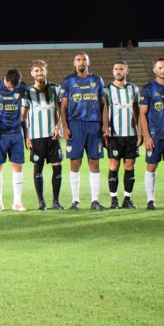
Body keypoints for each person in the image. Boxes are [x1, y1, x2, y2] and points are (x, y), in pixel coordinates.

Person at [59, 52, 109, 211]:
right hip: (75, 125)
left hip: (94, 125)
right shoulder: (68, 81)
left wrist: (105, 125)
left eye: (84, 60)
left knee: (94, 161)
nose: (81, 62)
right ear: (74, 63)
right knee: (75, 162)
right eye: (78, 60)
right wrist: (65, 127)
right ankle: (75, 201)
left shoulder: (97, 80)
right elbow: (64, 107)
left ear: (89, 62)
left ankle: (95, 201)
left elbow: (104, 104)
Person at [21, 60, 64, 211]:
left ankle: (56, 201)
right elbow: (23, 117)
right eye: (36, 71)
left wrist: (59, 127)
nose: (39, 73)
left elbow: (63, 111)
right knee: (38, 168)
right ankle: (41, 201)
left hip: (53, 136)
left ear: (46, 72)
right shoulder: (27, 92)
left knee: (57, 166)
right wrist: (26, 137)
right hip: (36, 137)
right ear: (32, 73)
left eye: (42, 70)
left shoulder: (56, 89)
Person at [0, 68, 28, 212]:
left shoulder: (21, 87)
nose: (12, 89)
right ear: (5, 79)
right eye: (10, 86)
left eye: (14, 87)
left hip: (15, 132)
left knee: (17, 166)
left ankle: (17, 202)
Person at [105, 61, 140, 209]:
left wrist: (140, 132)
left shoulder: (134, 89)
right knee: (114, 164)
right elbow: (104, 111)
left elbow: (137, 110)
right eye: (116, 69)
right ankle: (114, 200)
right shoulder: (107, 90)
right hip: (114, 135)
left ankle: (127, 199)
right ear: (113, 71)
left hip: (131, 134)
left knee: (129, 165)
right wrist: (105, 130)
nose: (118, 72)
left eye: (121, 69)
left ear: (127, 71)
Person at [137, 58, 164, 211]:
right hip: (155, 135)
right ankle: (150, 200)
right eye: (160, 67)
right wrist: (147, 136)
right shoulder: (148, 89)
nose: (163, 70)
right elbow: (142, 114)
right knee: (151, 166)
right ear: (154, 70)